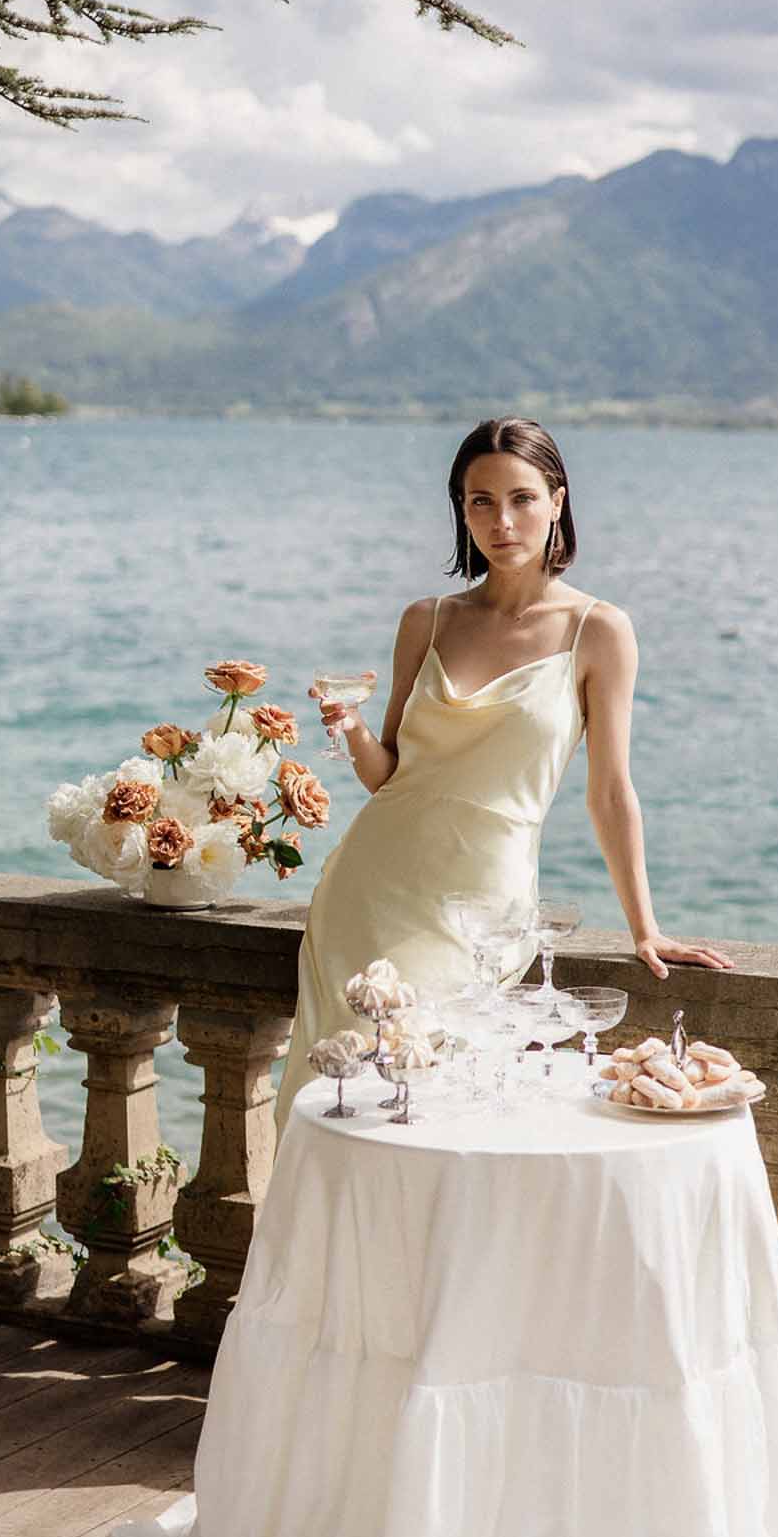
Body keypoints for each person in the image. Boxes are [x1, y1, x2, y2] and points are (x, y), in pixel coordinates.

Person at [273, 414, 734, 1132]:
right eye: (479, 501)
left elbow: (610, 790)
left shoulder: (597, 630)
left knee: (424, 1105)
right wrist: (351, 728)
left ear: (557, 499)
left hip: (478, 908)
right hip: (367, 890)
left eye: (520, 498)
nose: (501, 519)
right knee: (335, 1101)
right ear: (460, 509)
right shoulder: (426, 620)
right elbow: (390, 774)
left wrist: (644, 926)